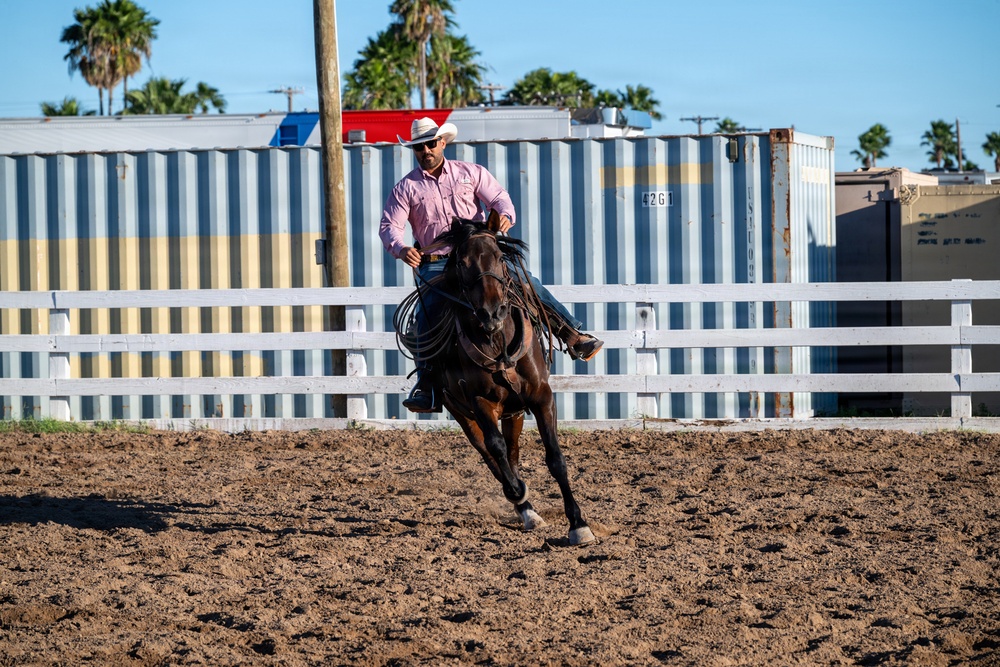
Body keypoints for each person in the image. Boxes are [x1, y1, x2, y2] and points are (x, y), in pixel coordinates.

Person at [379, 117, 603, 413]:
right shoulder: (406, 187)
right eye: (419, 146)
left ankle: (572, 335)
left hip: (477, 255)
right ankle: (427, 384)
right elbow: (389, 226)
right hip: (439, 262)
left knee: (526, 283)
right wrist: (401, 247)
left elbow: (499, 198)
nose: (426, 150)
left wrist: (505, 214)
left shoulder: (470, 173)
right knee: (425, 316)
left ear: (442, 143)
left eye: (431, 143)